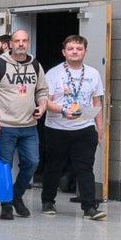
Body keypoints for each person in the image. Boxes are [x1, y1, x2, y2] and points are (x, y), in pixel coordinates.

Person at [0, 26, 50, 220]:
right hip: (4, 127)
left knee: (32, 162)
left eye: (24, 41)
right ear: (10, 44)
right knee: (4, 167)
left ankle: (16, 196)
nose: (21, 44)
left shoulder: (35, 65)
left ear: (28, 43)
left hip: (28, 126)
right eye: (17, 41)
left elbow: (43, 91)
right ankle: (6, 204)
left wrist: (42, 106)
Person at [40, 33, 106, 220]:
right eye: (70, 49)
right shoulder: (53, 73)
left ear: (85, 51)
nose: (74, 52)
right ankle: (48, 201)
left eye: (78, 48)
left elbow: (96, 102)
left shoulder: (93, 74)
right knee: (54, 165)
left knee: (85, 168)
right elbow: (46, 101)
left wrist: (99, 128)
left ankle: (89, 207)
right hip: (57, 128)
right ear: (64, 52)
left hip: (85, 128)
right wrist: (62, 111)